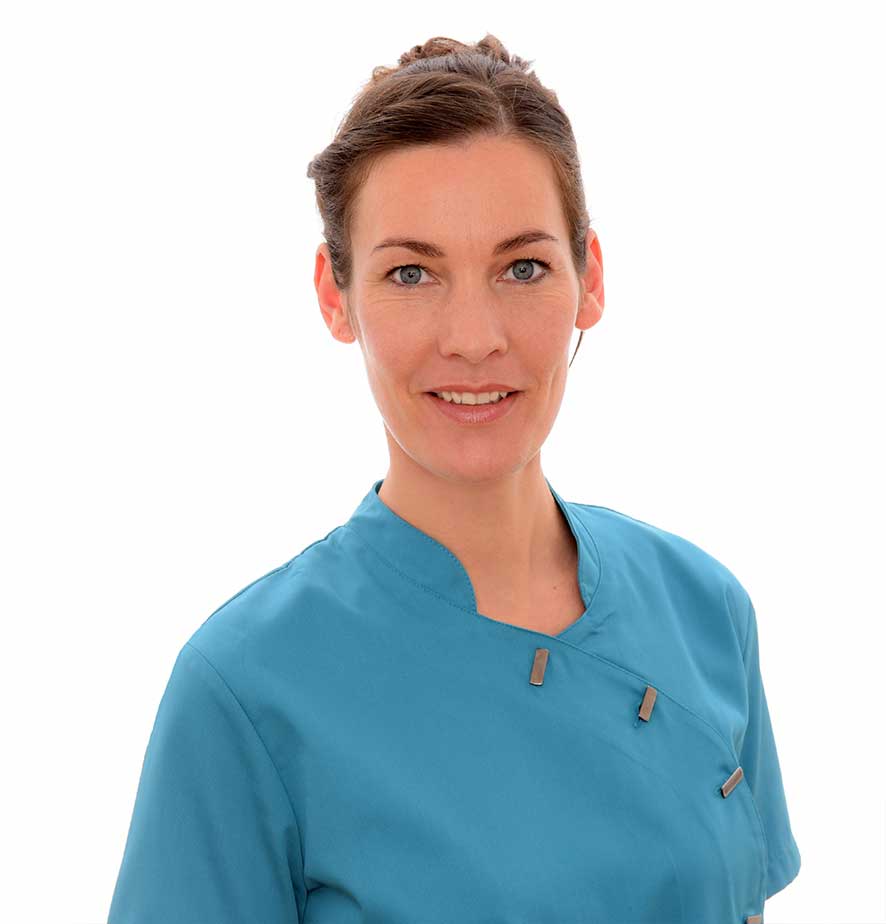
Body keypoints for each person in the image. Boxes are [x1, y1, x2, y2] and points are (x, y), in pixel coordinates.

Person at [107, 34, 801, 924]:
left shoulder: (704, 608)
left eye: (522, 268)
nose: (474, 338)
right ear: (334, 295)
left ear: (589, 279)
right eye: (411, 273)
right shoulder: (243, 688)